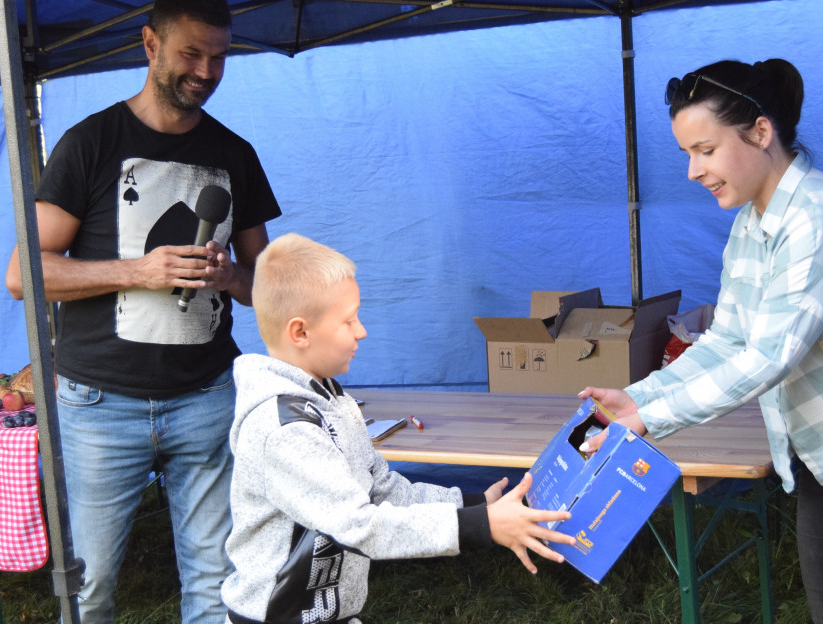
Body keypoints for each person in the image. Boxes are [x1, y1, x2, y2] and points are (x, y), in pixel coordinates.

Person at [4, 0, 281, 624]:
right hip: (99, 402)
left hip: (208, 396)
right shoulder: (90, 143)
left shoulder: (234, 154)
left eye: (219, 57)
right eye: (191, 54)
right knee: (90, 585)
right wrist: (141, 270)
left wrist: (228, 277)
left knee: (217, 581)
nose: (206, 72)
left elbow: (267, 285)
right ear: (150, 44)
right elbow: (24, 274)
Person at [580, 59, 823, 624]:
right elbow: (727, 341)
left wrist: (654, 420)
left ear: (761, 132)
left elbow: (766, 357)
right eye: (686, 155)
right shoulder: (753, 223)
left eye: (706, 149)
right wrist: (641, 398)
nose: (693, 171)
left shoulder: (819, 217)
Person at [220, 233, 575, 624]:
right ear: (300, 332)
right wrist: (481, 526)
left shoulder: (332, 402)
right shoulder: (286, 429)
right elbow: (359, 525)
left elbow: (385, 490)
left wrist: (474, 504)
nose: (362, 331)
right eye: (348, 320)